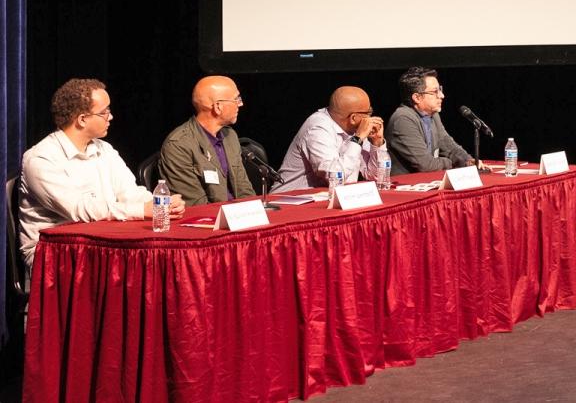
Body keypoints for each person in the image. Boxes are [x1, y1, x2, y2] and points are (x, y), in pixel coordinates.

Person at [17, 78, 186, 267]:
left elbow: (129, 191)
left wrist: (160, 205)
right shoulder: (41, 159)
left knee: (158, 261)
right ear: (82, 119)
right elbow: (81, 210)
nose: (111, 117)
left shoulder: (104, 149)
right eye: (104, 112)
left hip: (99, 241)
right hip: (53, 252)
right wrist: (142, 210)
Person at [157, 75, 256, 206]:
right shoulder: (179, 145)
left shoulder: (230, 136)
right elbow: (195, 205)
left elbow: (244, 188)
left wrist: (254, 211)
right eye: (236, 99)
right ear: (218, 107)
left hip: (238, 217)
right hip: (207, 221)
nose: (240, 104)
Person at [275, 86, 388, 191]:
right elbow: (334, 176)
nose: (370, 117)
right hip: (288, 202)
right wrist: (357, 139)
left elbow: (377, 177)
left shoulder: (355, 130)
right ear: (353, 118)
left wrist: (376, 142)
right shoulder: (318, 127)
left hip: (326, 199)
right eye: (368, 112)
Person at [385, 67, 475, 175]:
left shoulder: (433, 115)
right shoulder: (403, 119)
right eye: (435, 92)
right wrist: (454, 163)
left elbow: (448, 145)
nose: (442, 96)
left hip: (426, 182)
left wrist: (468, 161)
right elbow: (425, 164)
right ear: (417, 98)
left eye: (440, 89)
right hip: (405, 187)